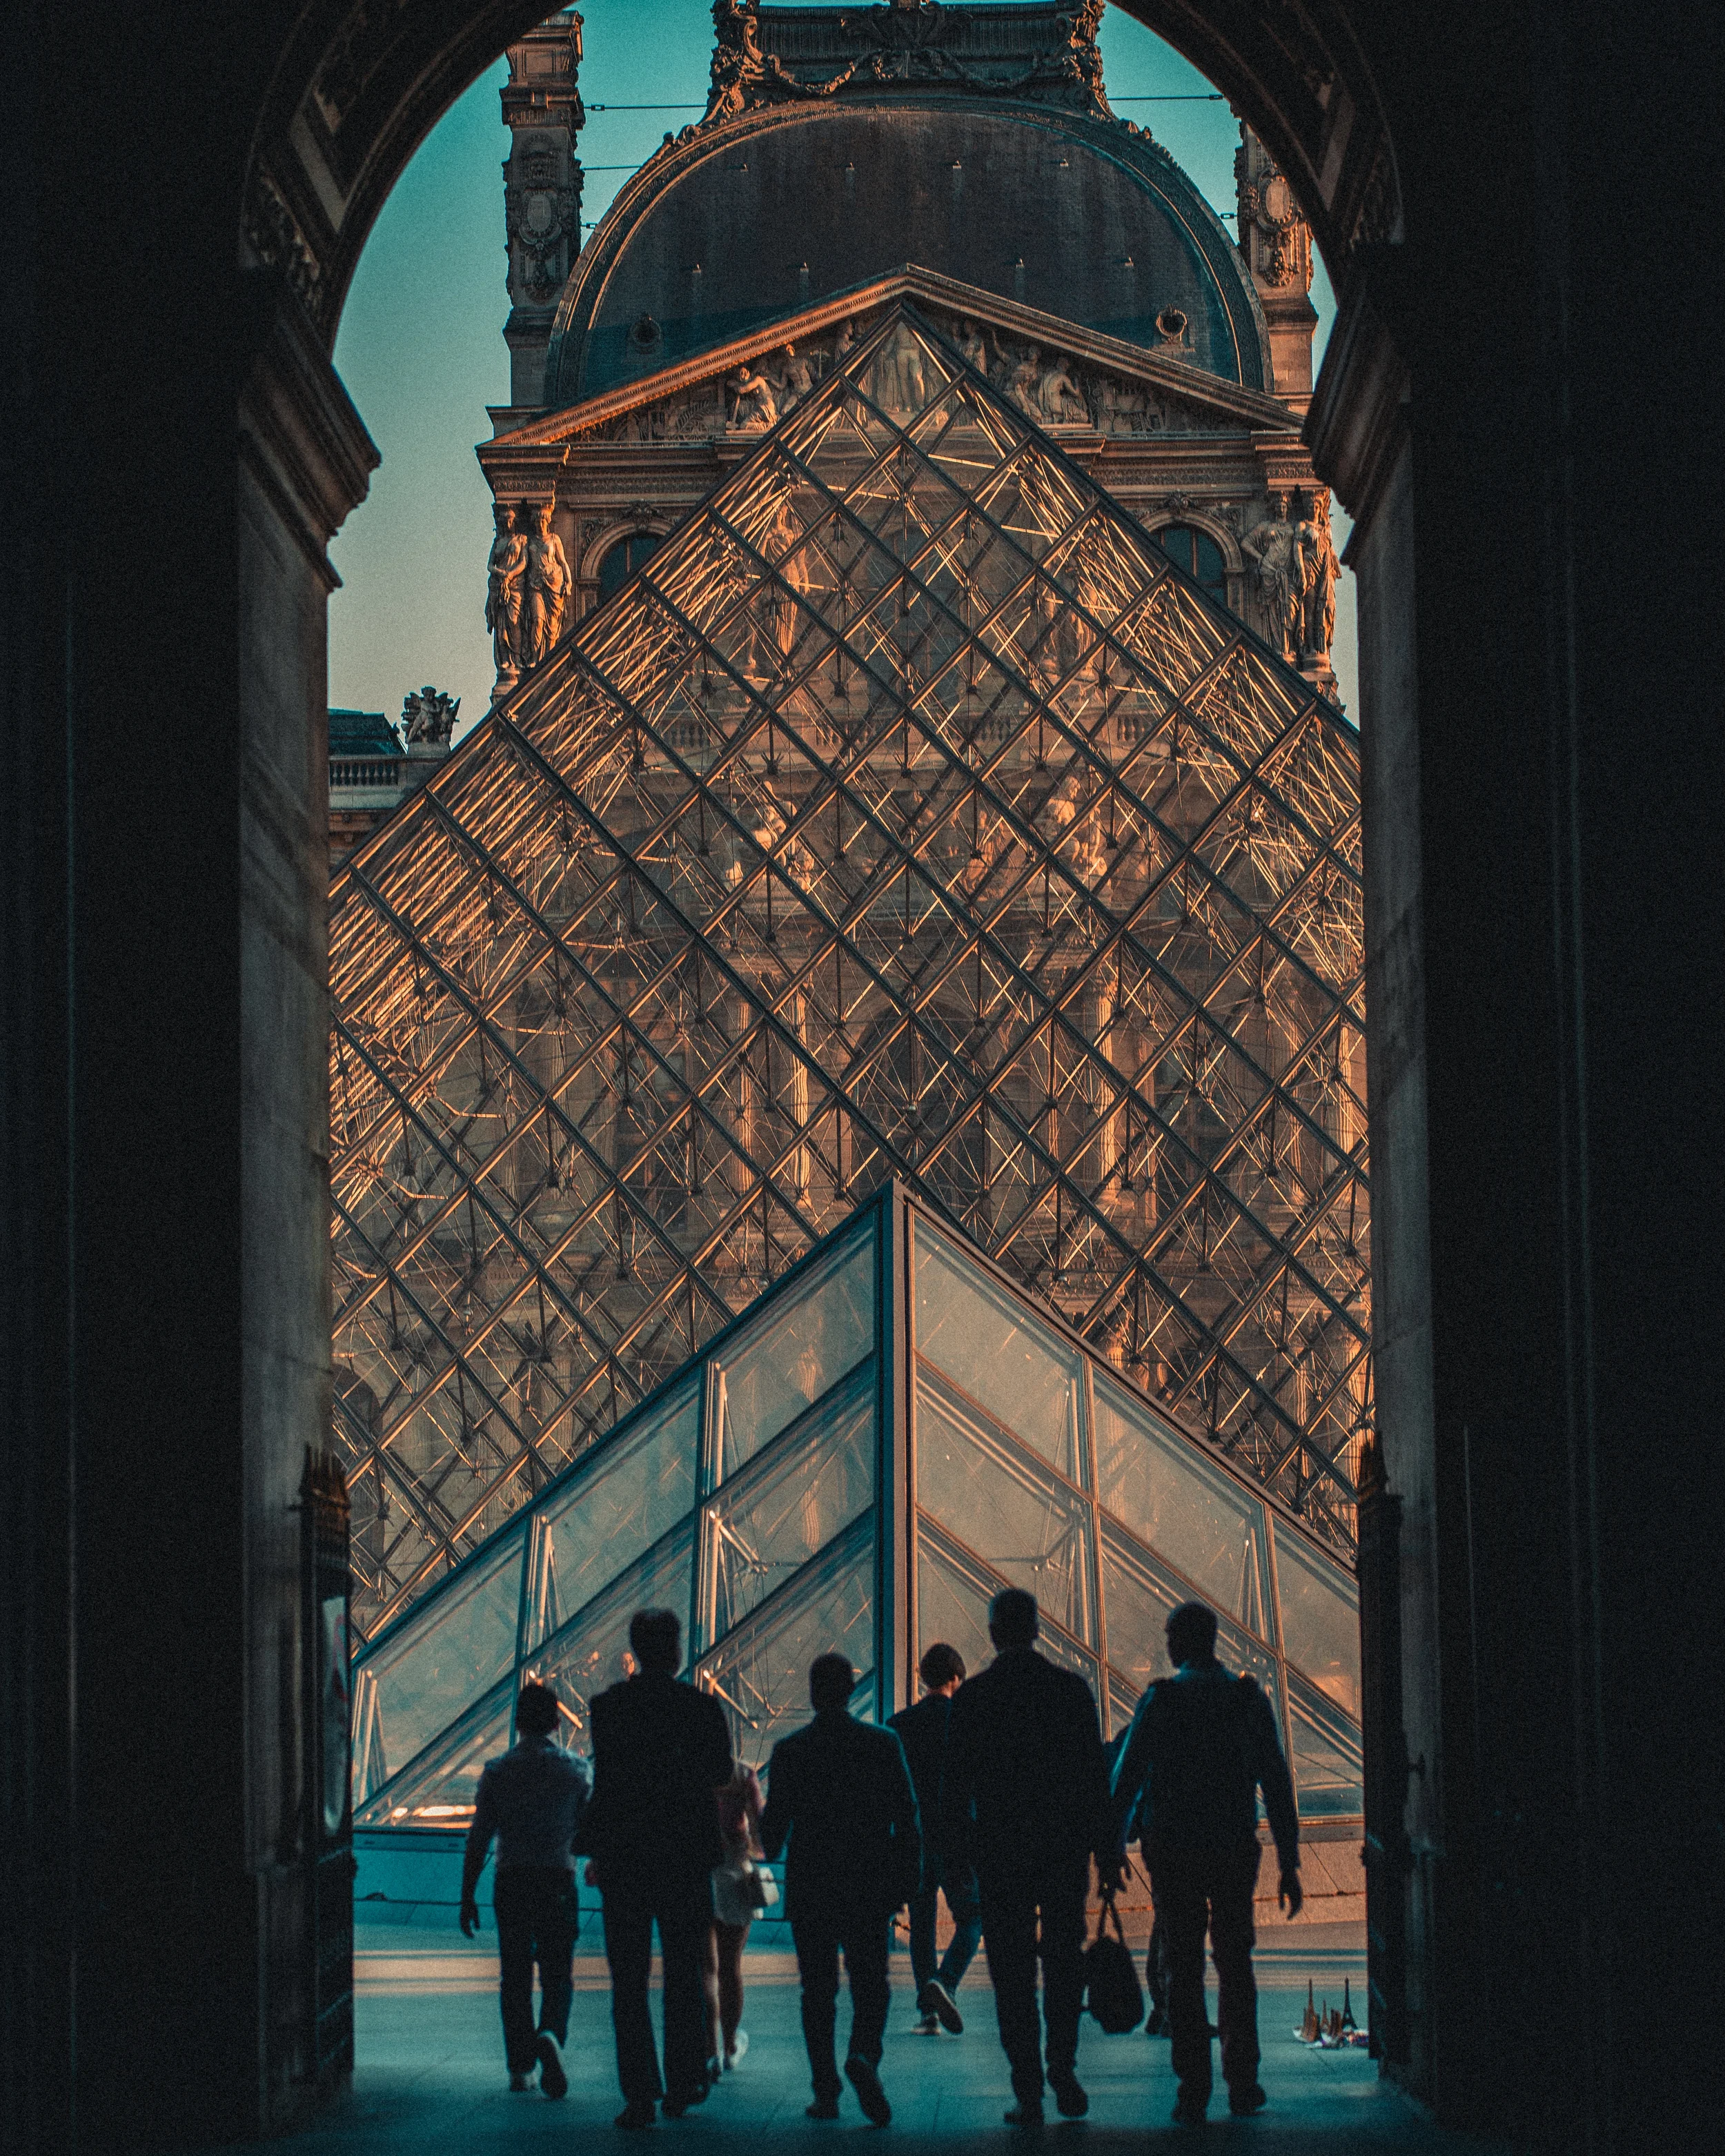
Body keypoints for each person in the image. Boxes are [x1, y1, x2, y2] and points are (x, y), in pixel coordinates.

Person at [1107, 1600, 1302, 2127]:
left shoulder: (1161, 1699)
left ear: (1179, 1642)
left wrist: (1110, 1850)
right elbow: (1277, 1783)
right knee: (1236, 1961)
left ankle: (1193, 2085)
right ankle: (1244, 2080)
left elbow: (1126, 1779)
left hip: (1173, 1849)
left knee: (1184, 1965)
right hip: (1234, 1846)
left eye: (1168, 1633)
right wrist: (1290, 1860)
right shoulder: (1246, 1697)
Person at [941, 1589, 1109, 2125]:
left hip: (1000, 1853)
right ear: (1038, 1629)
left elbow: (953, 1789)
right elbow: (1093, 1780)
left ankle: (1029, 2089)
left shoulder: (974, 1699)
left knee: (1011, 1974)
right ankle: (1063, 2065)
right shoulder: (1072, 1690)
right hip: (1061, 1850)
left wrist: (958, 1857)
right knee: (1064, 1961)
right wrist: (1106, 1851)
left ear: (993, 1633)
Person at [582, 1609, 734, 2129]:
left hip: (625, 1855)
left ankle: (640, 2092)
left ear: (635, 1648)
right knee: (684, 1972)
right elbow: (720, 1772)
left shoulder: (606, 1708)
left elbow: (607, 1781)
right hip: (684, 1855)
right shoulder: (702, 1708)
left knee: (629, 1979)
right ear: (675, 1649)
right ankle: (684, 2079)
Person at [759, 1654, 922, 2126]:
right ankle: (864, 2054)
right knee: (872, 1983)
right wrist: (904, 1878)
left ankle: (825, 2090)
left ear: (813, 1692)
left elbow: (773, 1835)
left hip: (812, 1886)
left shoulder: (791, 1750)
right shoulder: (883, 1743)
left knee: (817, 1991)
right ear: (852, 1690)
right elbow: (906, 1817)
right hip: (869, 1883)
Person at [458, 1681, 591, 2098]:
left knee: (513, 1975)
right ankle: (550, 2032)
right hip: (557, 1879)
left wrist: (466, 1894)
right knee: (558, 1972)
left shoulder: (498, 1771)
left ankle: (520, 2067)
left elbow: (480, 1837)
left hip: (511, 1880)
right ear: (556, 1721)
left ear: (517, 1723)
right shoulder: (576, 1770)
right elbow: (590, 1831)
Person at [889, 1641, 983, 2035]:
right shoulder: (969, 1724)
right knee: (972, 1919)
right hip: (959, 1841)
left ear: (924, 1679)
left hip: (915, 1840)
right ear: (956, 1678)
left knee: (922, 1925)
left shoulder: (899, 1726)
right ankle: (944, 1983)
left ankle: (928, 2014)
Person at [704, 1759, 766, 2073]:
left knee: (706, 1972)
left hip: (697, 1877)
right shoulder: (743, 1776)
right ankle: (729, 2045)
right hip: (734, 1879)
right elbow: (761, 1837)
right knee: (731, 1969)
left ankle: (709, 2050)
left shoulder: (684, 1770)